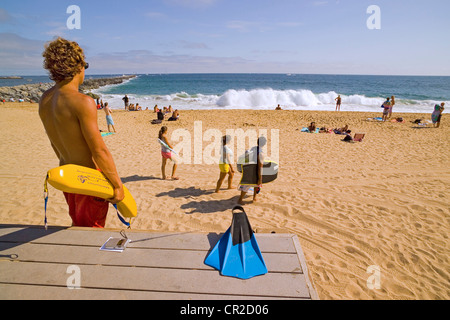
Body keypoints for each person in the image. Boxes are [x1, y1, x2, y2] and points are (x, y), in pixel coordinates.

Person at [39, 37, 124, 228]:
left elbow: (55, 143)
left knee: (78, 225)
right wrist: (117, 185)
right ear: (79, 66)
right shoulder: (82, 102)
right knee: (91, 231)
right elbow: (99, 151)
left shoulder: (45, 100)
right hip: (89, 180)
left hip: (67, 177)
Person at [238, 136, 266, 205]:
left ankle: (254, 197)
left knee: (255, 185)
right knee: (250, 185)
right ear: (264, 144)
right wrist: (260, 178)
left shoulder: (253, 148)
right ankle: (240, 199)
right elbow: (260, 166)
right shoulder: (261, 153)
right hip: (254, 171)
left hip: (249, 168)